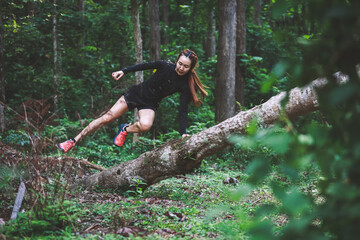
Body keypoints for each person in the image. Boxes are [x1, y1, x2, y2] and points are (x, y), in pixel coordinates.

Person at [57, 49, 208, 153]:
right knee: (107, 118)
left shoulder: (185, 85)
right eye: (180, 63)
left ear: (191, 68)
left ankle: (125, 129)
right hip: (136, 94)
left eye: (185, 66)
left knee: (146, 126)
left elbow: (183, 109)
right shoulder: (164, 66)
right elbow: (143, 66)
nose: (181, 68)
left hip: (150, 104)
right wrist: (124, 71)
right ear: (177, 60)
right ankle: (72, 141)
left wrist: (183, 133)